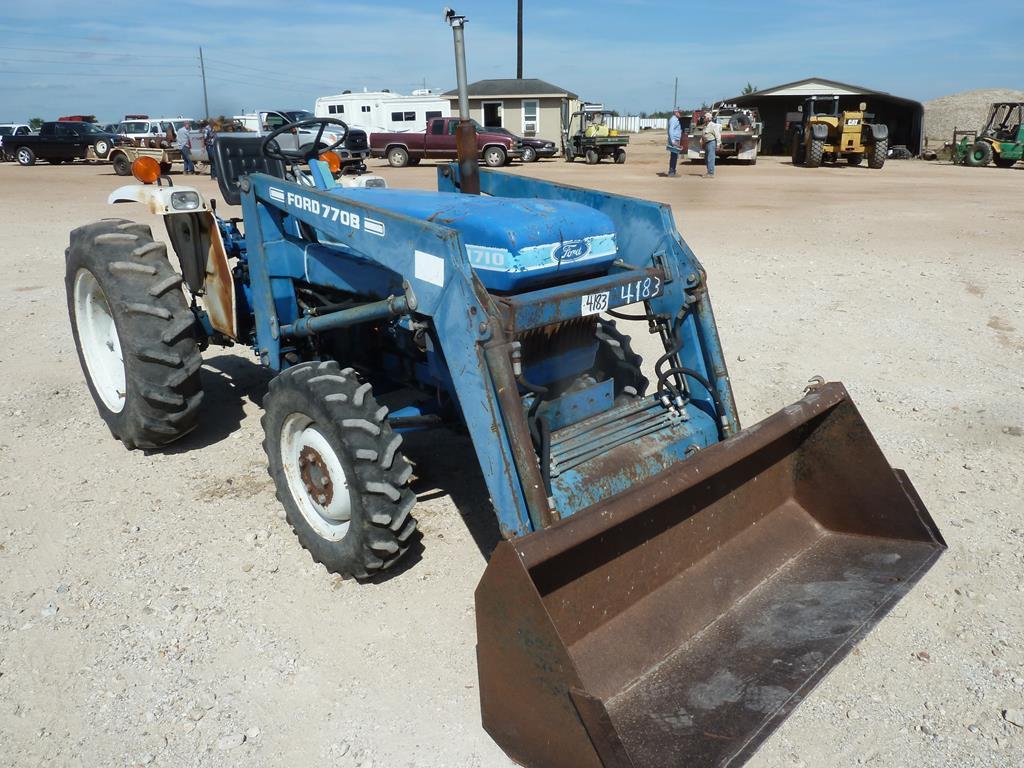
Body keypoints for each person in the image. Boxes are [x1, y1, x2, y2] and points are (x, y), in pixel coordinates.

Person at [701, 114, 722, 178]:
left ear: (708, 118)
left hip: (711, 142)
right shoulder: (705, 126)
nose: (704, 118)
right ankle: (709, 172)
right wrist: (702, 142)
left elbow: (717, 135)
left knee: (710, 158)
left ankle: (710, 173)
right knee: (706, 158)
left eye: (705, 117)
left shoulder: (713, 125)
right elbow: (704, 134)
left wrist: (718, 144)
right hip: (706, 143)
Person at [666, 108, 683, 176]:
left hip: (675, 140)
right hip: (674, 140)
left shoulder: (675, 119)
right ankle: (671, 171)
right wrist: (673, 141)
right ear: (675, 112)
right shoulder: (673, 120)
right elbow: (671, 130)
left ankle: (673, 170)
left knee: (675, 156)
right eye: (679, 112)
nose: (680, 113)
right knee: (674, 156)